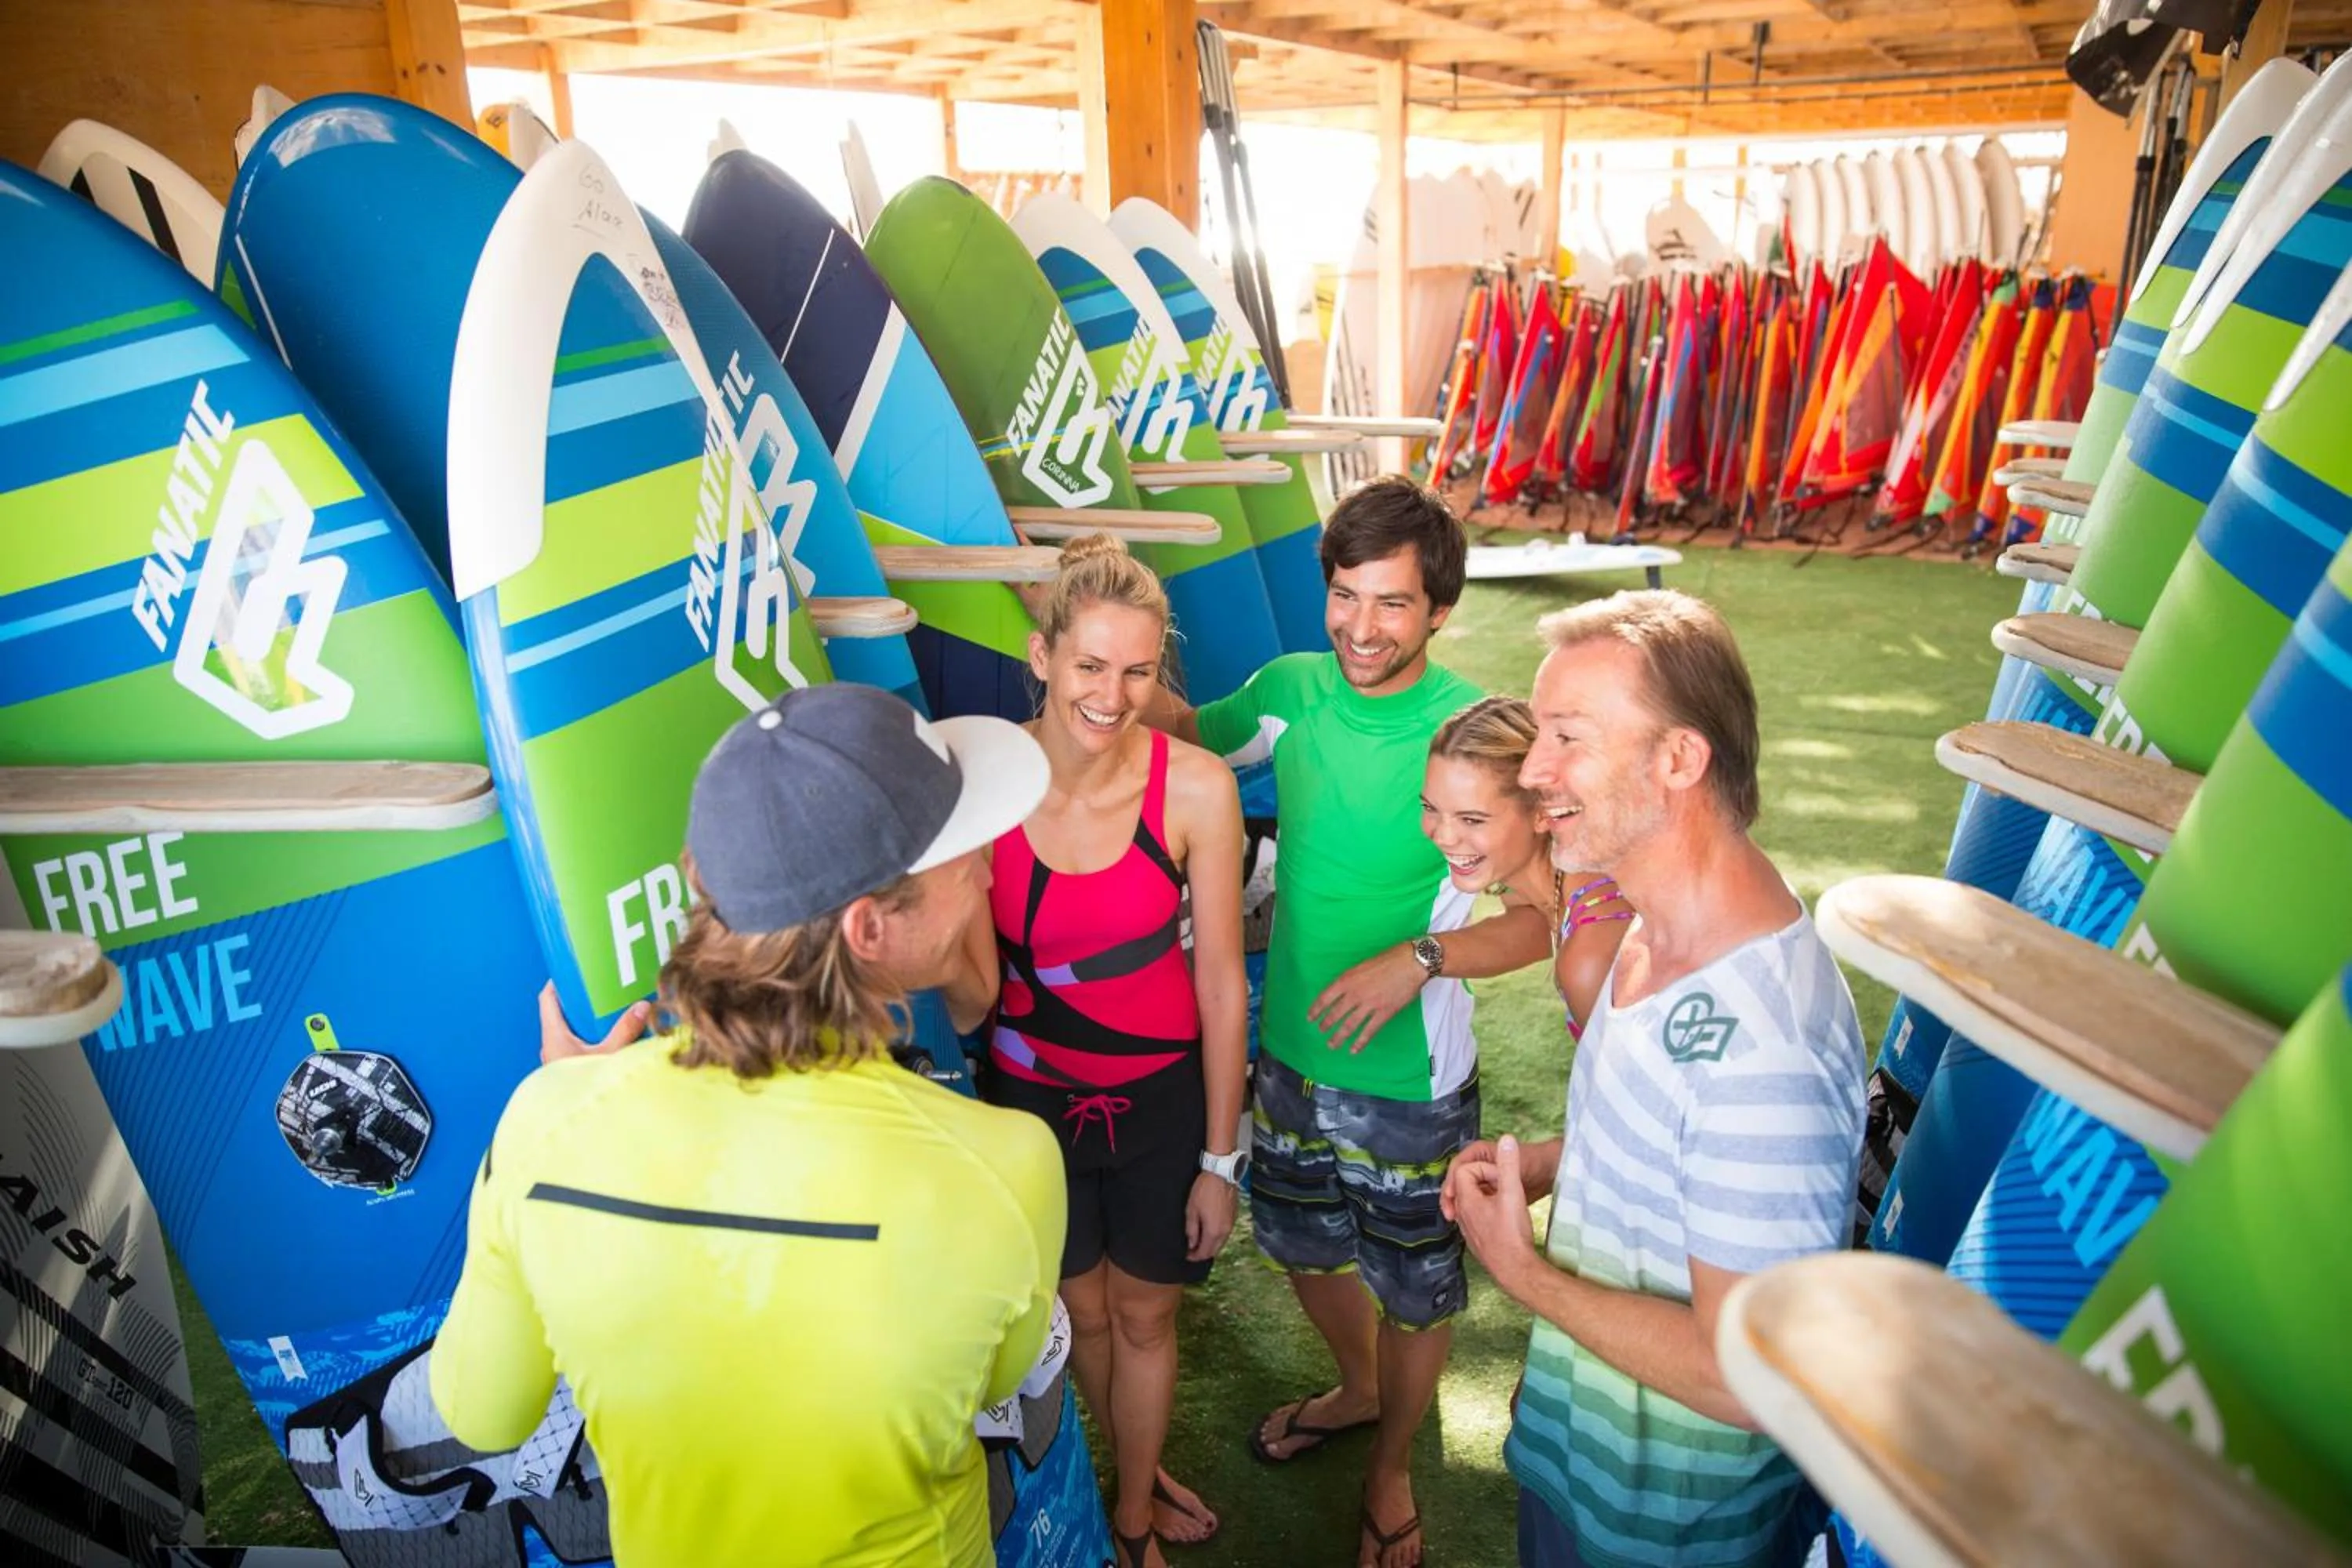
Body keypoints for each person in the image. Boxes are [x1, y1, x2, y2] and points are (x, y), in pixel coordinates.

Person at [431, 684, 1064, 1567]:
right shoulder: (1008, 1161)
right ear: (869, 927)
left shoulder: (549, 1121)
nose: (991, 870)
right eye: (966, 857)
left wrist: (557, 1116)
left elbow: (480, 1410)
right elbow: (996, 1377)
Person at [1152, 476, 1552, 1568]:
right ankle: (1362, 1387)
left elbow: (1541, 921)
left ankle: (1390, 1468)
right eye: (1344, 596)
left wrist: (1417, 961)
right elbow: (1184, 732)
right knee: (1297, 1244)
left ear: (1438, 610)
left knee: (1418, 1291)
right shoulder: (1289, 689)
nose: (1361, 628)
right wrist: (1105, 647)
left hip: (1411, 1080)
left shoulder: (1477, 732)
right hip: (1283, 1053)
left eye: (1391, 604)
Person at [1443, 591, 1866, 1568]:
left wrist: (1523, 1272)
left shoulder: (1768, 1047)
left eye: (1567, 739)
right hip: (1584, 1461)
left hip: (1664, 1525)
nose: (1533, 770)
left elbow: (1745, 1376)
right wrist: (1555, 1161)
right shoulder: (1653, 918)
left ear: (1680, 759)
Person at [985, 535, 1248, 1568]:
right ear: (1042, 654)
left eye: (1138, 670)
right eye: (1091, 665)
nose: (1113, 693)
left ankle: (1133, 1517)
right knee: (1079, 1320)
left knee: (1141, 1318)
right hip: (1031, 1111)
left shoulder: (1196, 789)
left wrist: (1221, 1162)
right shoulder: (987, 780)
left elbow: (1223, 983)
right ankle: (1123, 1473)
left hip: (1159, 1107)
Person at [1422, 695, 1633, 1042]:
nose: (1443, 836)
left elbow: (1630, 1091)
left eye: (1472, 819)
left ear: (1542, 812)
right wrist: (1420, 959)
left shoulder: (1591, 955)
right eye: (1430, 807)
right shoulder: (1564, 878)